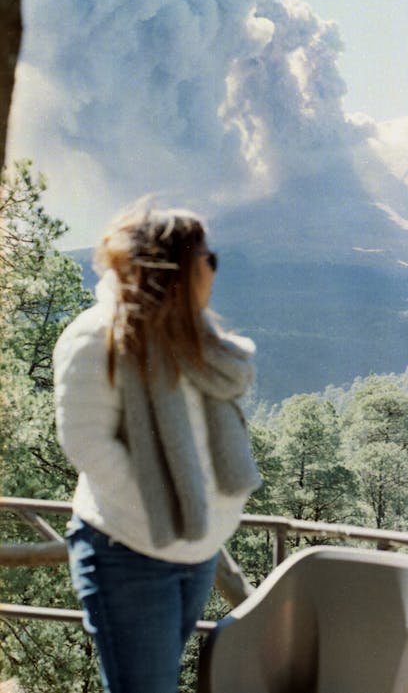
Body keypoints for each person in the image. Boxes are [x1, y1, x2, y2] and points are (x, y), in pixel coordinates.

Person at [53, 200, 261, 693]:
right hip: (127, 550)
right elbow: (86, 442)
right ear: (175, 267)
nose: (214, 268)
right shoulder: (97, 336)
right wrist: (160, 507)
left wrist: (197, 519)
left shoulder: (195, 333)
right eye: (208, 258)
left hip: (196, 547)